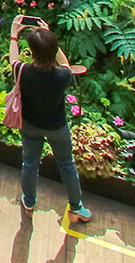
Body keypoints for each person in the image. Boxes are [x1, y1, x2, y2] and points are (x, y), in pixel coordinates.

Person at [10, 18, 92, 222]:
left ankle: (29, 203)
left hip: (29, 125)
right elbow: (66, 64)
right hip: (57, 127)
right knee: (66, 163)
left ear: (31, 52)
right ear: (53, 50)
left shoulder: (23, 71)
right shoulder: (62, 76)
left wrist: (13, 34)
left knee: (30, 162)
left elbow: (13, 60)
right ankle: (76, 207)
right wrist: (48, 35)